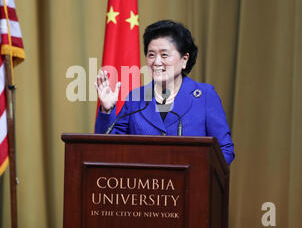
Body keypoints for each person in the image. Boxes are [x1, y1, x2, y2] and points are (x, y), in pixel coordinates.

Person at [94, 20, 234, 165]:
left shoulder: (204, 95)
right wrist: (107, 109)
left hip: (191, 185)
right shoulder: (136, 97)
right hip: (143, 184)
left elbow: (224, 150)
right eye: (151, 55)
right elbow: (107, 150)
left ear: (184, 59)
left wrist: (200, 174)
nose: (157, 62)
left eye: (164, 55)